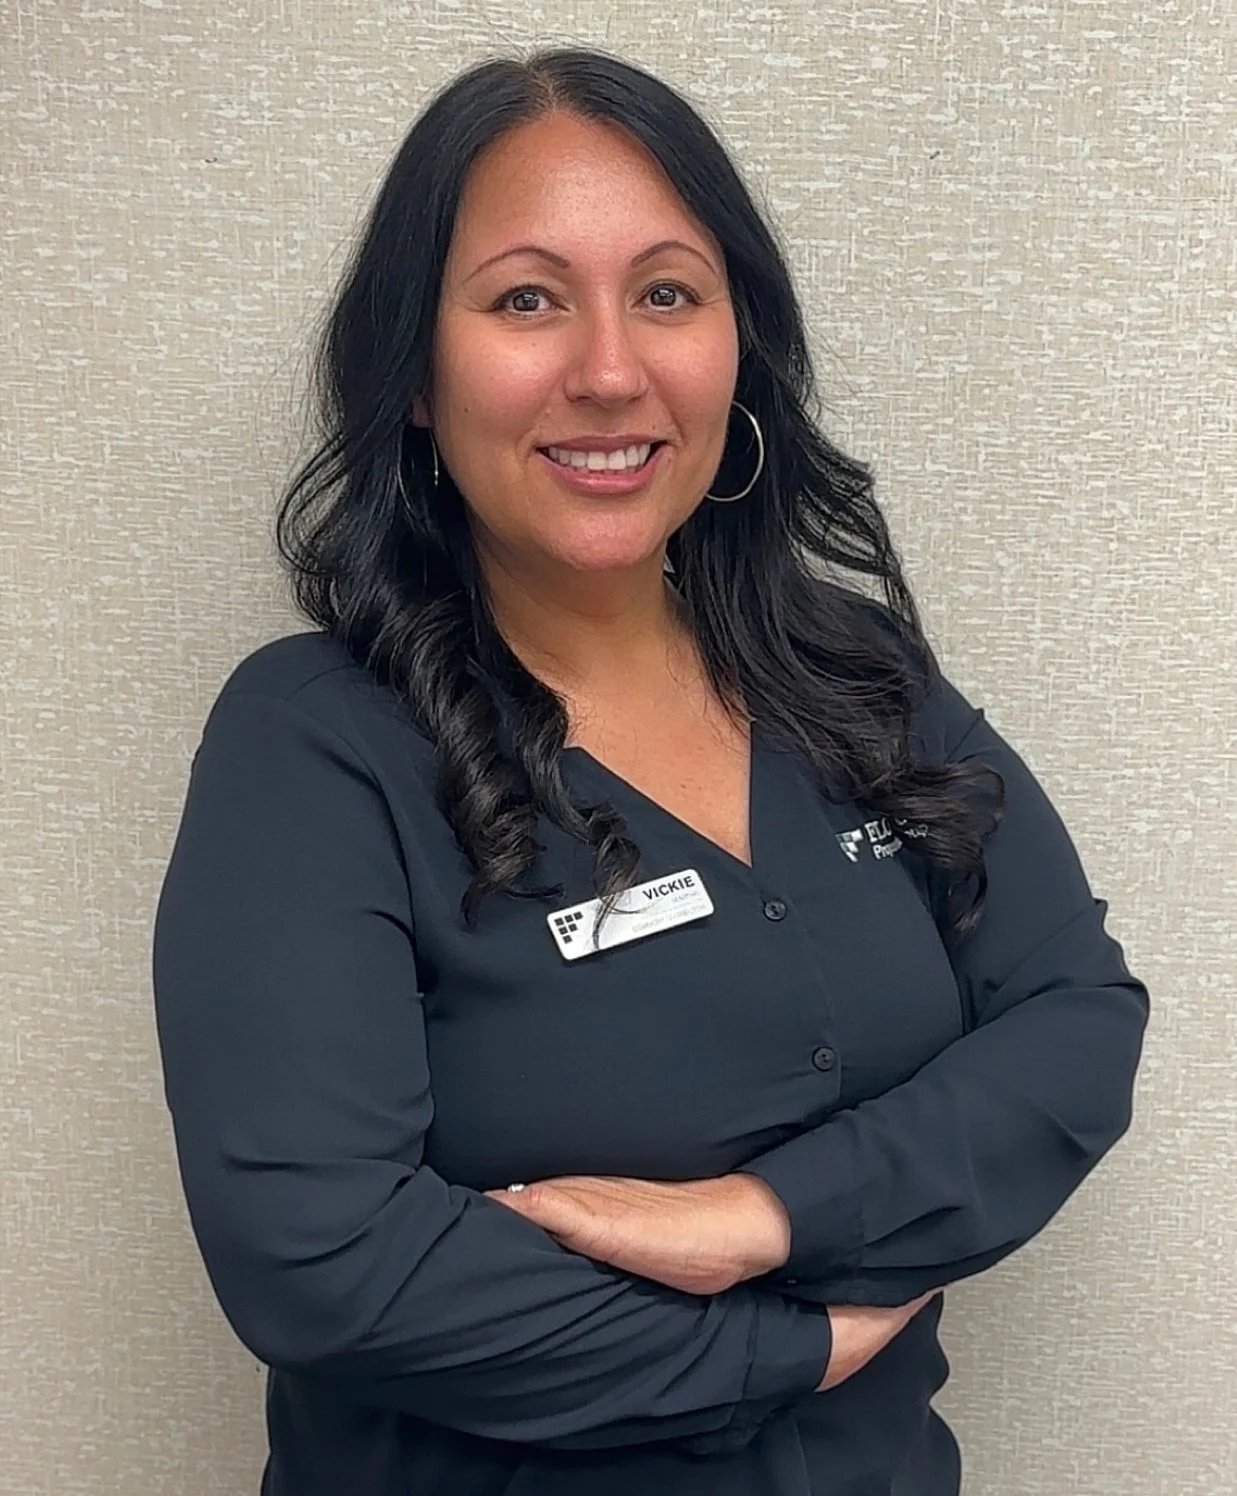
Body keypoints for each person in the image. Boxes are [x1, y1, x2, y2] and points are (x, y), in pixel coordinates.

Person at [151, 47, 1150, 1496]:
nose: (610, 370)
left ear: (738, 344)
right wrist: (786, 1355)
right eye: (526, 299)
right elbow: (325, 1263)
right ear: (416, 376)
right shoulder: (315, 747)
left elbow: (1075, 1024)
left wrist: (770, 1214)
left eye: (668, 293)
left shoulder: (860, 678)